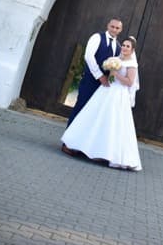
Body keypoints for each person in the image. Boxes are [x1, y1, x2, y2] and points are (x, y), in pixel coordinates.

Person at [60, 36, 142, 171]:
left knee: (111, 123)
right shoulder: (117, 60)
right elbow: (111, 76)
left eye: (128, 46)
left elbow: (129, 82)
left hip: (118, 95)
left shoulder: (132, 65)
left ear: (132, 50)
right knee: (94, 117)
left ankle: (106, 154)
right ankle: (83, 147)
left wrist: (116, 74)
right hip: (107, 90)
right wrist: (110, 72)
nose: (125, 48)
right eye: (124, 45)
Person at [66, 18, 123, 126]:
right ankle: (67, 141)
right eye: (112, 26)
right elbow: (88, 56)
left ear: (120, 30)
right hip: (90, 80)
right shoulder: (97, 37)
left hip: (105, 86)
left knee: (94, 113)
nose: (114, 29)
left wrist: (110, 80)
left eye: (117, 28)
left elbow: (116, 68)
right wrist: (100, 76)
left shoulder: (119, 47)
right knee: (81, 107)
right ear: (108, 26)